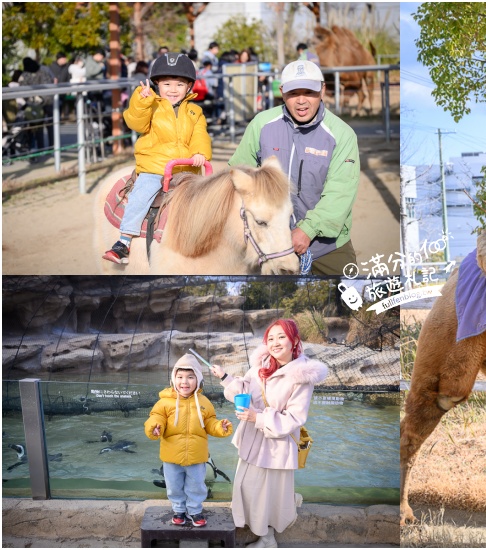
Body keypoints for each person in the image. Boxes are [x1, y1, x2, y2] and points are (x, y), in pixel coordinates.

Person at [229, 59, 360, 275]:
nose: (301, 101)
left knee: (352, 300)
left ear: (323, 90)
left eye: (309, 92)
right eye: (293, 93)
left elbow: (340, 193)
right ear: (282, 92)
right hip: (269, 243)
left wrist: (307, 230)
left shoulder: (342, 135)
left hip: (327, 246)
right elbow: (236, 175)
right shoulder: (261, 124)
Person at [209, 319, 328, 548]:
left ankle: (267, 539)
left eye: (281, 337)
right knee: (246, 486)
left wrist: (258, 418)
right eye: (270, 338)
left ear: (294, 341)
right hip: (253, 439)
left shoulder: (302, 376)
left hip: (276, 445)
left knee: (269, 494)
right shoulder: (260, 365)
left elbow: (295, 417)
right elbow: (244, 390)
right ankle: (250, 526)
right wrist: (226, 378)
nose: (275, 343)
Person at [102, 52, 212, 264]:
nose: (172, 89)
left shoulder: (195, 112)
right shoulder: (150, 106)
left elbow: (200, 135)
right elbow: (135, 122)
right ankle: (124, 241)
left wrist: (200, 153)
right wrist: (141, 102)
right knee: (142, 194)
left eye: (179, 84)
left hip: (186, 170)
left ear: (189, 86)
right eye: (167, 84)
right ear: (157, 85)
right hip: (155, 168)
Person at [145, 354, 233, 527]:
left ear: (198, 380)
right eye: (180, 377)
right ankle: (178, 509)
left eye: (190, 377)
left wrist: (219, 427)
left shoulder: (204, 402)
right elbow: (155, 417)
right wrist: (154, 427)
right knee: (174, 486)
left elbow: (209, 422)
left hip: (196, 456)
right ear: (173, 379)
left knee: (196, 486)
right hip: (171, 456)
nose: (184, 382)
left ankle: (194, 510)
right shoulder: (164, 402)